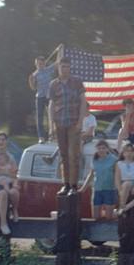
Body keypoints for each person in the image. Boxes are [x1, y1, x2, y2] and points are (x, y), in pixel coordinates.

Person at [48, 58, 86, 194]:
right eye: (63, 67)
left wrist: (81, 121)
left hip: (73, 123)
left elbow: (83, 102)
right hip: (59, 122)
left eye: (67, 67)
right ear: (58, 68)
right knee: (63, 155)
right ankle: (66, 184)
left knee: (73, 154)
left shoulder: (76, 82)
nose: (65, 69)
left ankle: (73, 186)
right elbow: (51, 105)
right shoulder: (53, 84)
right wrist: (51, 125)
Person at [79, 139, 117, 221]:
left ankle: (115, 215)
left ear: (107, 149)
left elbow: (117, 174)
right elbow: (91, 174)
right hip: (97, 189)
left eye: (103, 148)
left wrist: (119, 188)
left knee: (109, 217)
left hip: (110, 189)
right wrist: (83, 188)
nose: (101, 150)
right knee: (95, 217)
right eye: (99, 148)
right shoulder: (94, 159)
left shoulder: (114, 159)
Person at [29, 56, 55, 141]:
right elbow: (33, 88)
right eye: (38, 64)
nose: (40, 65)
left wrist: (60, 49)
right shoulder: (34, 74)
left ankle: (52, 135)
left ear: (44, 63)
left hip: (49, 96)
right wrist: (31, 81)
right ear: (36, 64)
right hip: (40, 97)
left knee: (51, 116)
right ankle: (41, 137)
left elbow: (58, 62)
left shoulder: (49, 69)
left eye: (41, 63)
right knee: (40, 117)